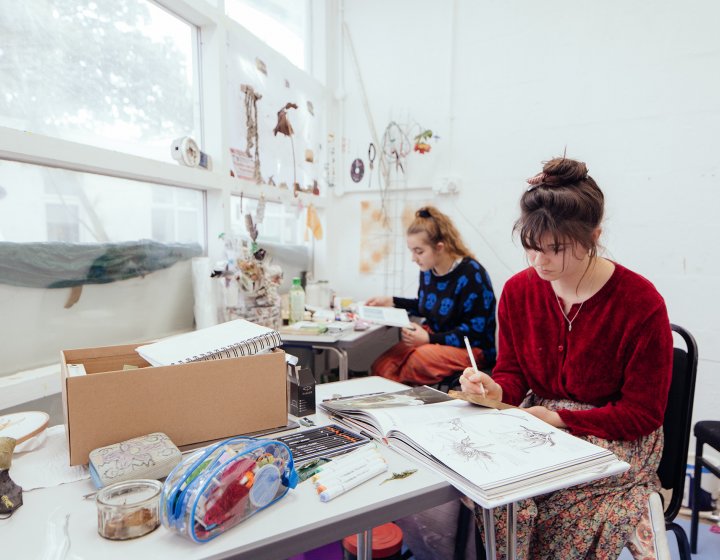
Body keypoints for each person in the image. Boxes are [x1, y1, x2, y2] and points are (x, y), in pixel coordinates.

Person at [459, 157, 673, 559]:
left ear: (594, 235)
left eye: (556, 249)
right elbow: (513, 372)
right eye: (531, 248)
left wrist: (559, 417)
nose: (540, 263)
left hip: (615, 431)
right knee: (495, 487)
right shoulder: (519, 292)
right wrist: (493, 388)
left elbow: (643, 414)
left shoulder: (640, 303)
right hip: (538, 422)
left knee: (539, 492)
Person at [367, 206, 496, 386]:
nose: (414, 258)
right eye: (412, 251)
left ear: (439, 247)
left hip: (472, 347)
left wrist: (429, 339)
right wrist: (391, 301)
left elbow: (475, 332)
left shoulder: (472, 274)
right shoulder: (428, 269)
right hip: (435, 337)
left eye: (419, 251)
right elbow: (426, 305)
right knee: (382, 368)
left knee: (414, 364)